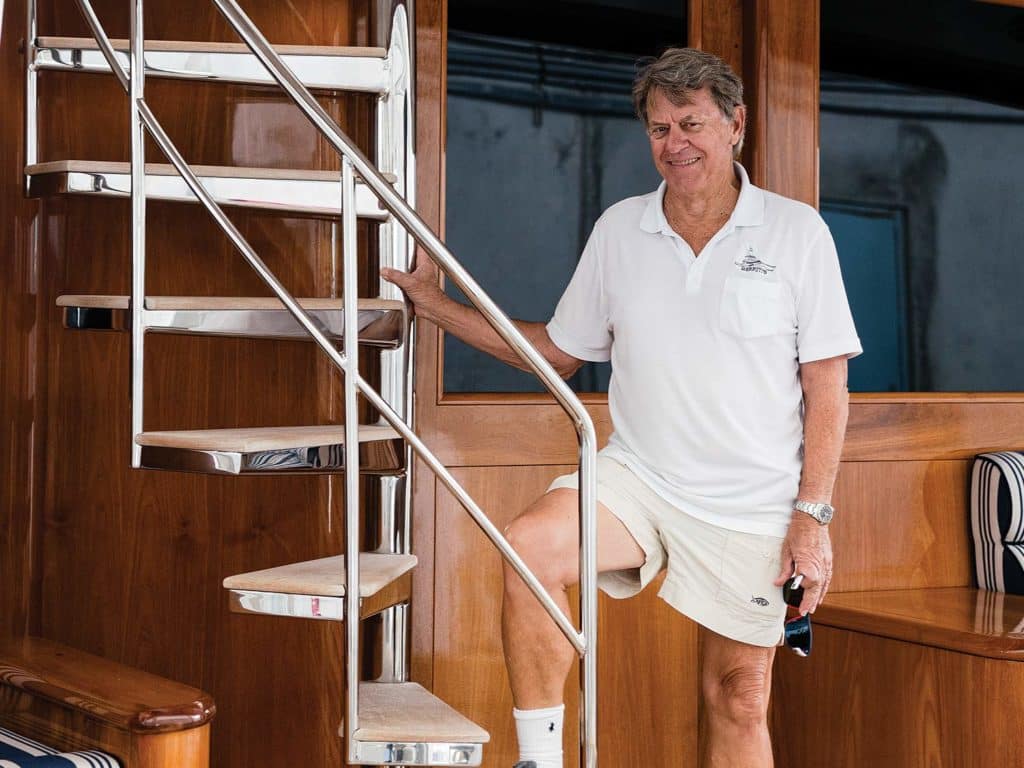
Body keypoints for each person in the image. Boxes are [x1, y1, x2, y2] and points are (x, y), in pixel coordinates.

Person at [383, 47, 861, 768]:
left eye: (691, 124)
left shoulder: (797, 233)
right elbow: (561, 352)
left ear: (735, 126)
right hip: (641, 479)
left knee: (738, 695)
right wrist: (435, 307)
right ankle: (540, 759)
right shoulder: (620, 230)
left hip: (756, 502)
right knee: (530, 547)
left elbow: (828, 387)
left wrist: (811, 518)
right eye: (660, 129)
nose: (676, 144)